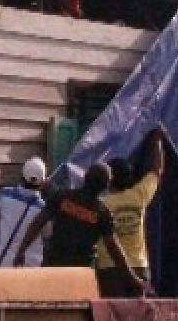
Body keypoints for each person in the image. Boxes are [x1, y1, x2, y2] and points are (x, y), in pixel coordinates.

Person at [14, 162, 149, 296]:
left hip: (54, 267)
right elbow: (114, 249)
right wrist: (134, 279)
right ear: (105, 186)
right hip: (82, 275)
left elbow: (38, 223)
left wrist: (21, 251)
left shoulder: (62, 197)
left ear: (85, 177)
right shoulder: (102, 213)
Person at [95, 127, 166, 297]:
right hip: (139, 266)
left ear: (108, 180)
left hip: (109, 269)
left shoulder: (101, 203)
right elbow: (157, 170)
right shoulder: (139, 196)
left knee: (114, 318)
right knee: (137, 319)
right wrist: (157, 141)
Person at [0, 156, 52, 267]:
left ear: (22, 176)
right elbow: (48, 233)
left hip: (5, 264)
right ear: (43, 181)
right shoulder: (43, 208)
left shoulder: (4, 196)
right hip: (31, 265)